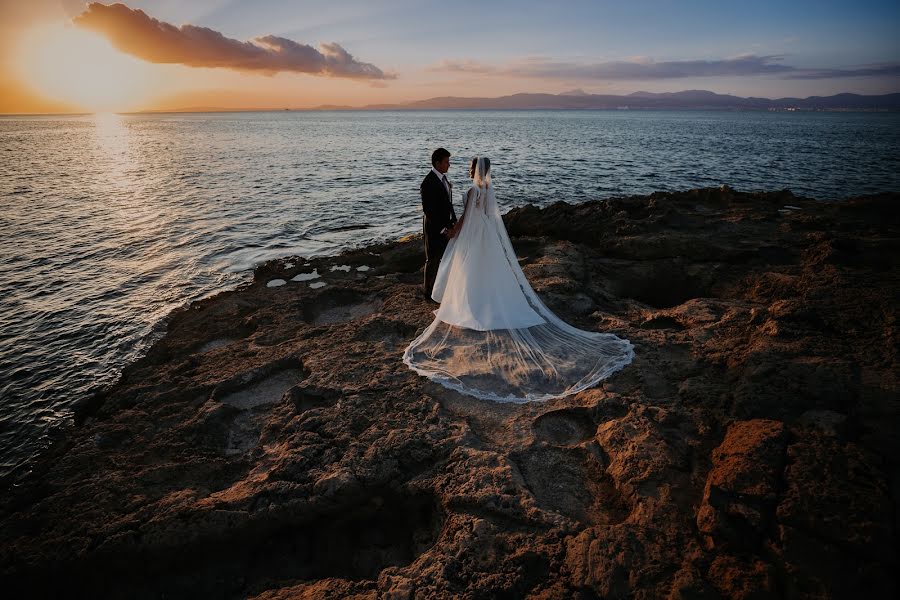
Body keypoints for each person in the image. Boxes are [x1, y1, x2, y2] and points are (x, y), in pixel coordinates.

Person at [403, 156, 634, 403]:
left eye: (471, 168)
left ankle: (473, 305)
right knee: (488, 270)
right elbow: (490, 218)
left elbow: (466, 218)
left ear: (476, 171)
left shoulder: (472, 191)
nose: (469, 171)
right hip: (488, 236)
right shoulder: (488, 190)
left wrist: (453, 232)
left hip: (473, 235)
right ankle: (488, 301)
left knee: (471, 270)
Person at [420, 148, 458, 301]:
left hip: (447, 225)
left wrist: (454, 222)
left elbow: (448, 204)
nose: (449, 165)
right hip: (434, 228)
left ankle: (442, 291)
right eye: (446, 162)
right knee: (433, 260)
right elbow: (429, 212)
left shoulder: (443, 179)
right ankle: (428, 295)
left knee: (447, 258)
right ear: (437, 163)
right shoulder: (428, 182)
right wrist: (443, 230)